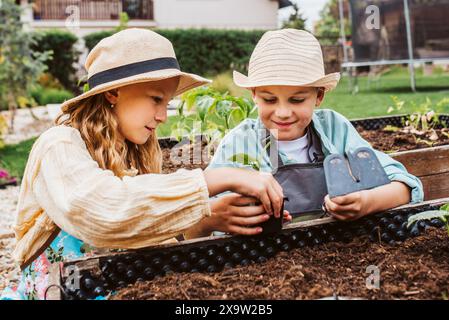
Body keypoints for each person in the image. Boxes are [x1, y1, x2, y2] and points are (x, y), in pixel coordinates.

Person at [0, 28, 284, 300]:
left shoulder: (135, 150)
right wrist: (215, 180)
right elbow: (105, 212)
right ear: (113, 93)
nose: (162, 116)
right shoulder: (59, 145)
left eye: (168, 102)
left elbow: (142, 230)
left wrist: (208, 218)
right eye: (156, 99)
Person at [205, 29, 423, 228]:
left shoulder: (334, 130)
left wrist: (365, 202)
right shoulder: (241, 142)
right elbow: (203, 211)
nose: (282, 112)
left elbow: (406, 187)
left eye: (297, 100)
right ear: (254, 94)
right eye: (269, 100)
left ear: (318, 96)